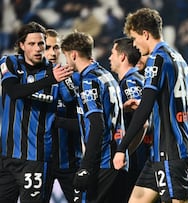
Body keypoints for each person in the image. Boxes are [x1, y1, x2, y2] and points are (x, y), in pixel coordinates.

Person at [112, 8, 188, 203]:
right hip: (164, 152)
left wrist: (122, 147)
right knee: (137, 199)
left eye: (134, 38)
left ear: (145, 34)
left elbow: (146, 107)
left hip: (168, 151)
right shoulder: (179, 58)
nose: (134, 45)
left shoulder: (156, 59)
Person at [0, 21, 73, 202]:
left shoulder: (56, 72)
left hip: (36, 159)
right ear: (22, 45)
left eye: (41, 43)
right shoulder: (9, 62)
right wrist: (49, 80)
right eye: (32, 44)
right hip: (6, 158)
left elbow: (72, 103)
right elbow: (13, 92)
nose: (38, 48)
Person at [60, 31, 128, 203]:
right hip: (117, 159)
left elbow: (97, 126)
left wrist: (86, 166)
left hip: (103, 161)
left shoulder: (89, 82)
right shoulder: (106, 75)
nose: (66, 62)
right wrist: (58, 122)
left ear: (73, 54)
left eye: (66, 57)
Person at [108, 37, 151, 202]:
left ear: (122, 57)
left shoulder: (130, 83)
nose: (109, 57)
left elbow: (142, 120)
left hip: (136, 159)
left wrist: (126, 150)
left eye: (113, 53)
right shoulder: (139, 79)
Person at [43, 28, 82, 203]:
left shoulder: (73, 77)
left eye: (56, 47)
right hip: (42, 161)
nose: (52, 52)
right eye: (48, 47)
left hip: (69, 160)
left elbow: (70, 98)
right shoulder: (31, 80)